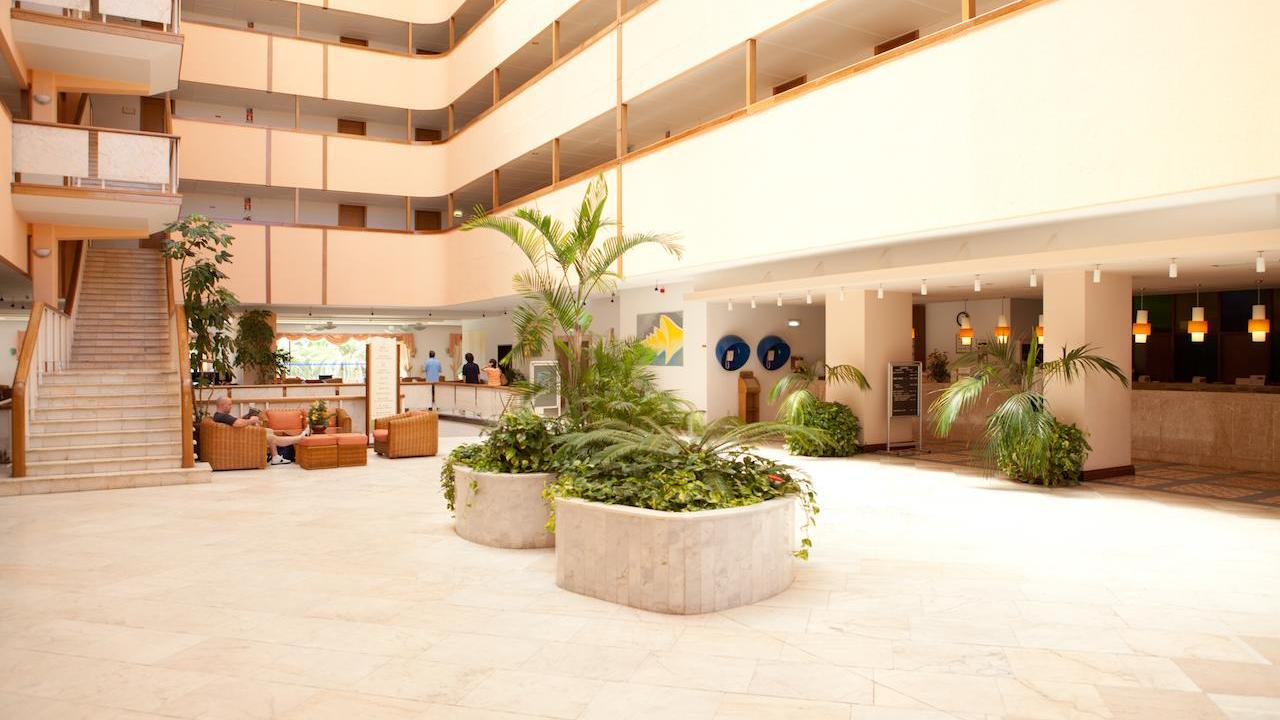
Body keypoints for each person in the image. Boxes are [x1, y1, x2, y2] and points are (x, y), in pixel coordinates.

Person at [210, 396, 305, 466]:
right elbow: (237, 423)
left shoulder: (219, 416)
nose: (231, 407)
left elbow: (236, 422)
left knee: (269, 431)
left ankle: (275, 457)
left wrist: (249, 420)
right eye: (229, 405)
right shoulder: (222, 416)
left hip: (240, 436)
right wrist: (251, 420)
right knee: (271, 437)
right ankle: (299, 438)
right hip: (242, 439)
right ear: (222, 405)